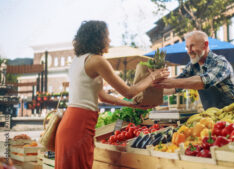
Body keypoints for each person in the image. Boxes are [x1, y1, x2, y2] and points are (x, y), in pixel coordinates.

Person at [55, 20, 169, 169]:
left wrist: (131, 105)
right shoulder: (97, 61)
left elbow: (102, 96)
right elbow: (128, 91)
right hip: (80, 125)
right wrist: (153, 76)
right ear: (97, 38)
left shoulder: (78, 61)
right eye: (106, 36)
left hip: (71, 124)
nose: (109, 40)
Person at [154, 30, 234, 110]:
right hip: (213, 115)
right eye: (187, 47)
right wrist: (150, 90)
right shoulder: (193, 66)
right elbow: (176, 87)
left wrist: (172, 82)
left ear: (205, 45)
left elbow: (204, 82)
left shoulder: (220, 62)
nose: (189, 51)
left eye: (192, 46)